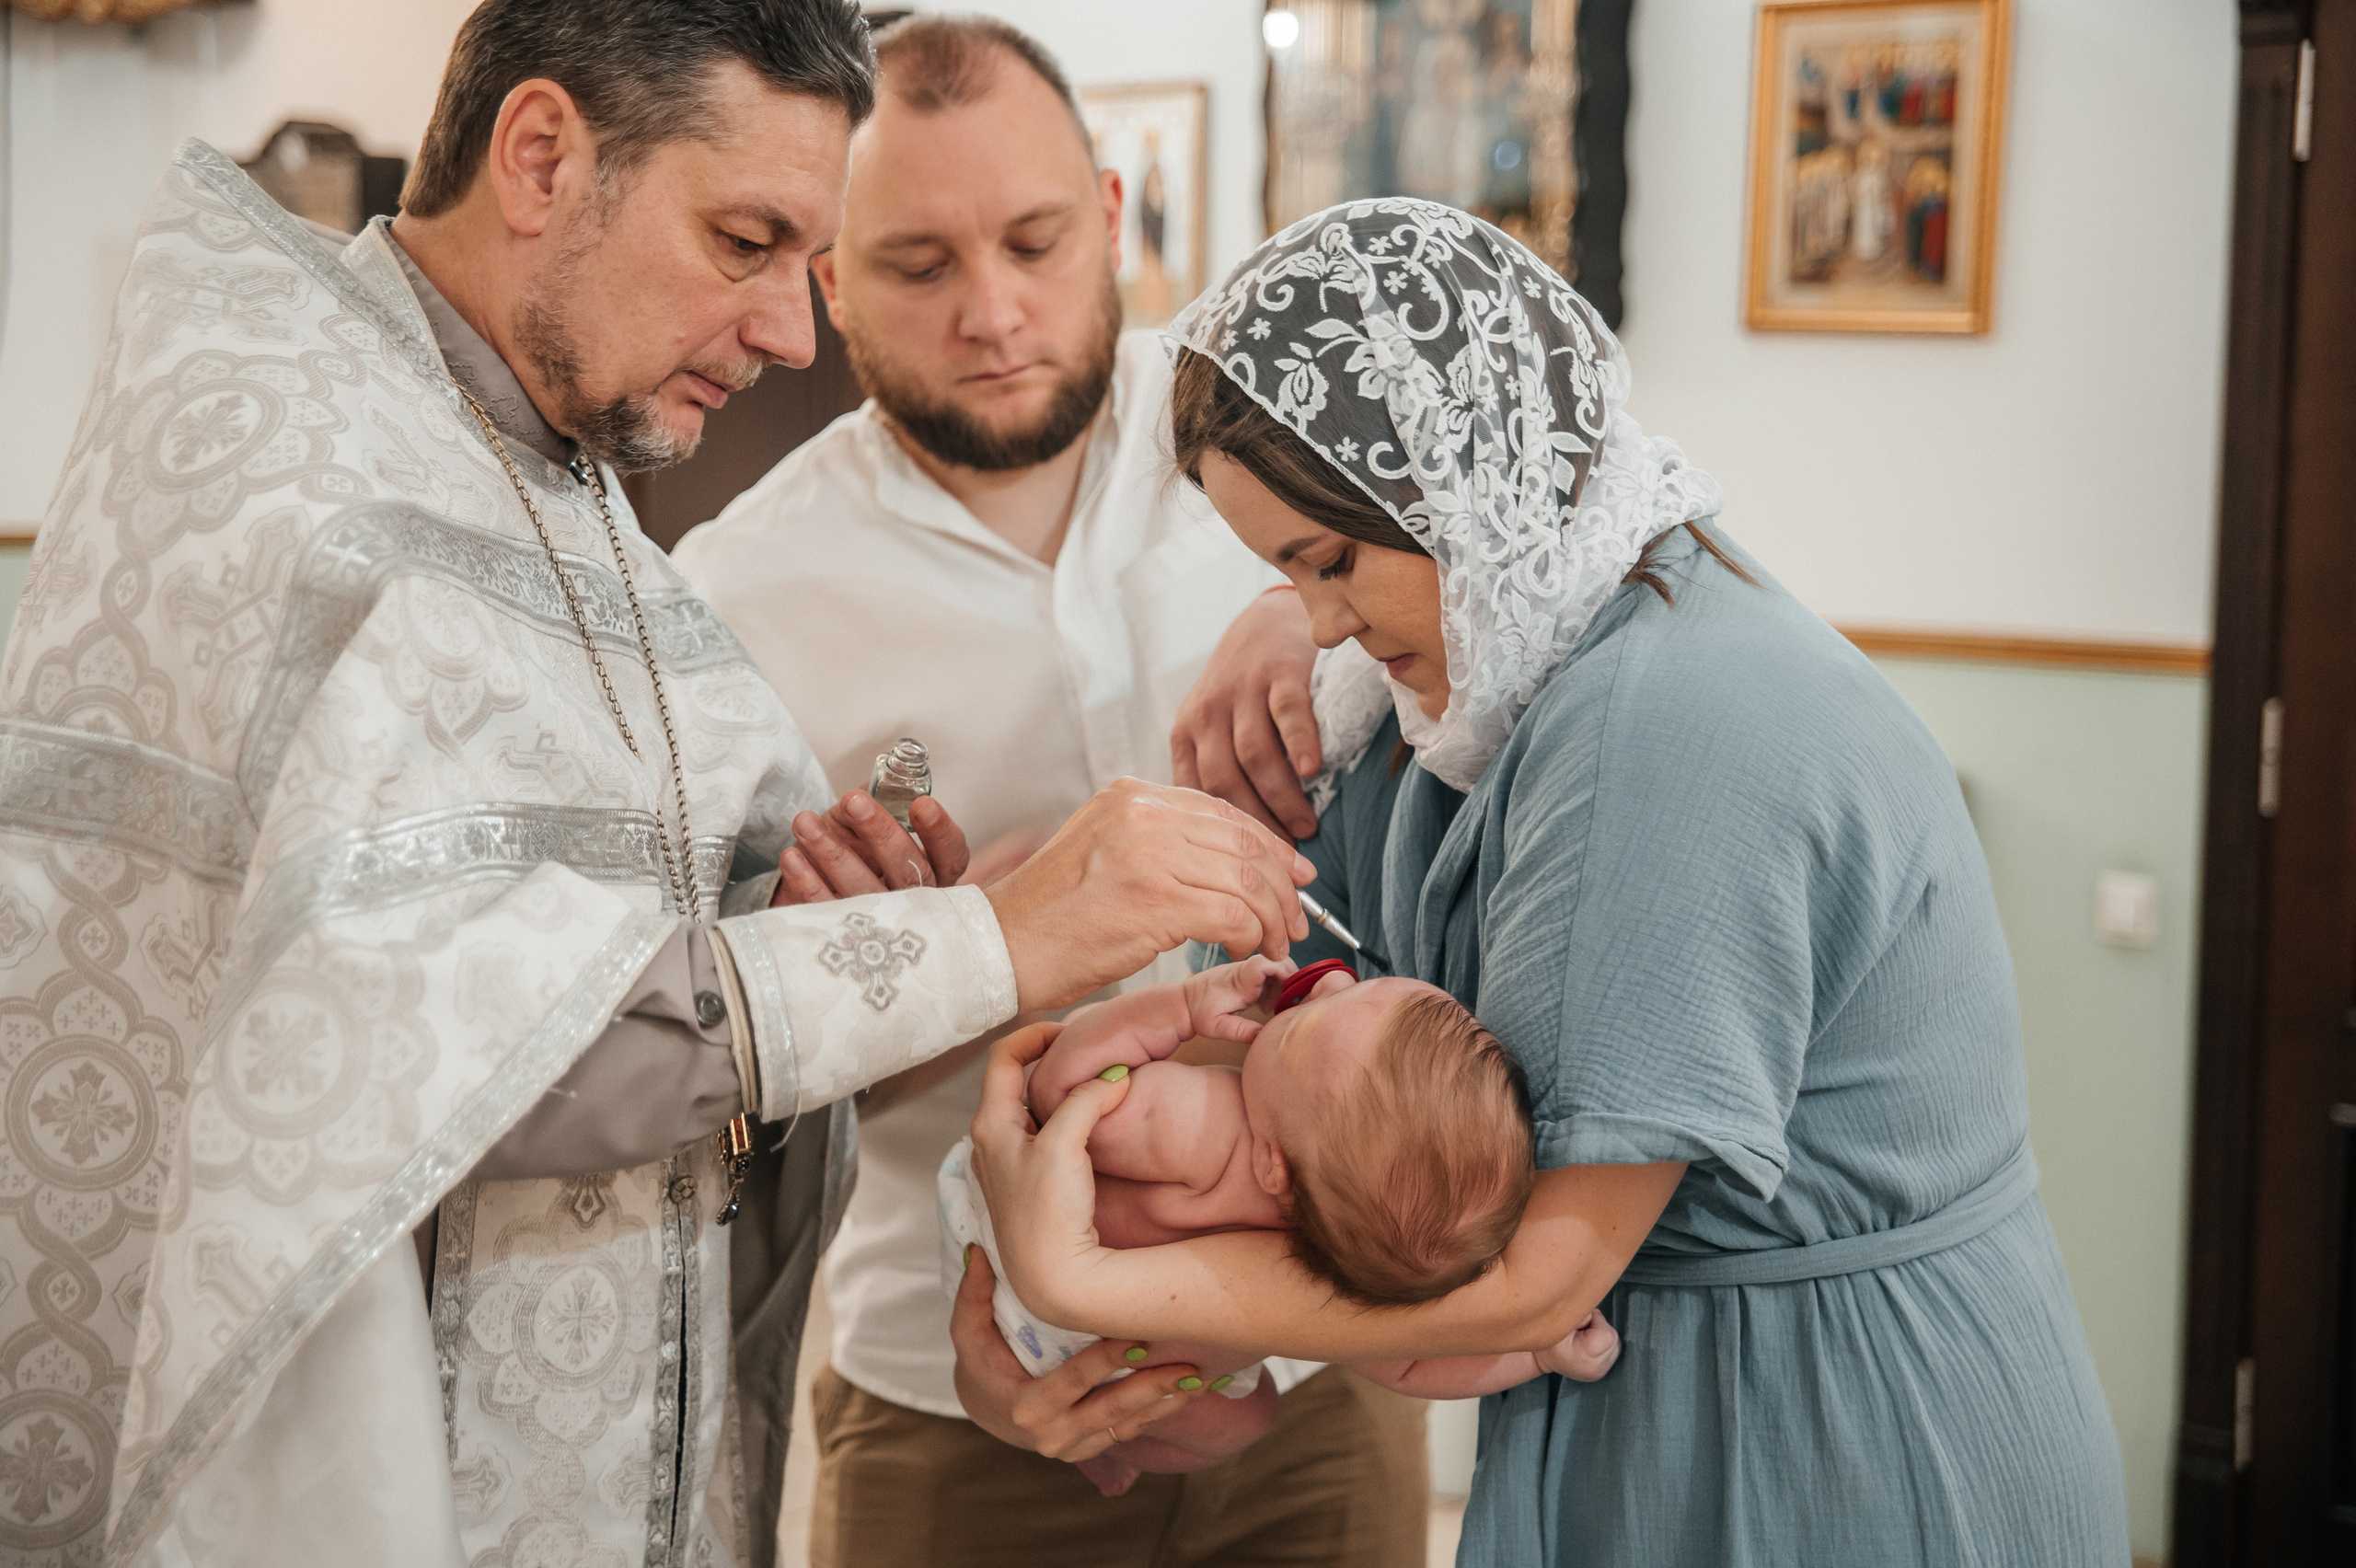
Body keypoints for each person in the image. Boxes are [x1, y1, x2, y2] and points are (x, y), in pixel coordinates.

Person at [0, 6, 1309, 1564]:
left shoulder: (542, 468)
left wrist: (804, 918)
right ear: (542, 158)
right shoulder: (302, 481)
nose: (794, 335)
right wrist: (989, 939)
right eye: (747, 242)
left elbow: (601, 944)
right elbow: (430, 1042)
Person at [957, 200, 2135, 1564]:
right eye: (1282, 576)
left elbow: (1541, 1280)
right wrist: (1079, 1327)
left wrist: (1074, 1275)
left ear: (1459, 481)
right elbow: (1289, 1120)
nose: (1319, 621)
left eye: (1329, 563)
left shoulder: (1667, 726)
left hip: (1836, 1428)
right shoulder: (1438, 701)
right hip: (1641, 1414)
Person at [669, 17, 1429, 1566]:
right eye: (917, 265)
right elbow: (712, 1090)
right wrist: (952, 962)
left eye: (1034, 241)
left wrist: (1320, 605)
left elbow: (1536, 663)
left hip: (1324, 1357)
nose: (994, 312)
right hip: (959, 1392)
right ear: (829, 276)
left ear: (1111, 209)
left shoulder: (1307, 461)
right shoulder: (730, 602)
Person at [941, 955, 1620, 1497]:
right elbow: (1413, 1363)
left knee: (1207, 1409)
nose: (1332, 982)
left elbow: (1064, 1094)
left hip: (1017, 1288)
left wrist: (1179, 1009)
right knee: (1249, 1416)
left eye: (1302, 1026)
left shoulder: (1205, 1127)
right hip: (1112, 1359)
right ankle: (1119, 1450)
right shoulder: (1345, 1276)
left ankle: (1104, 1441)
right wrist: (1536, 1355)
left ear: (1274, 1166)